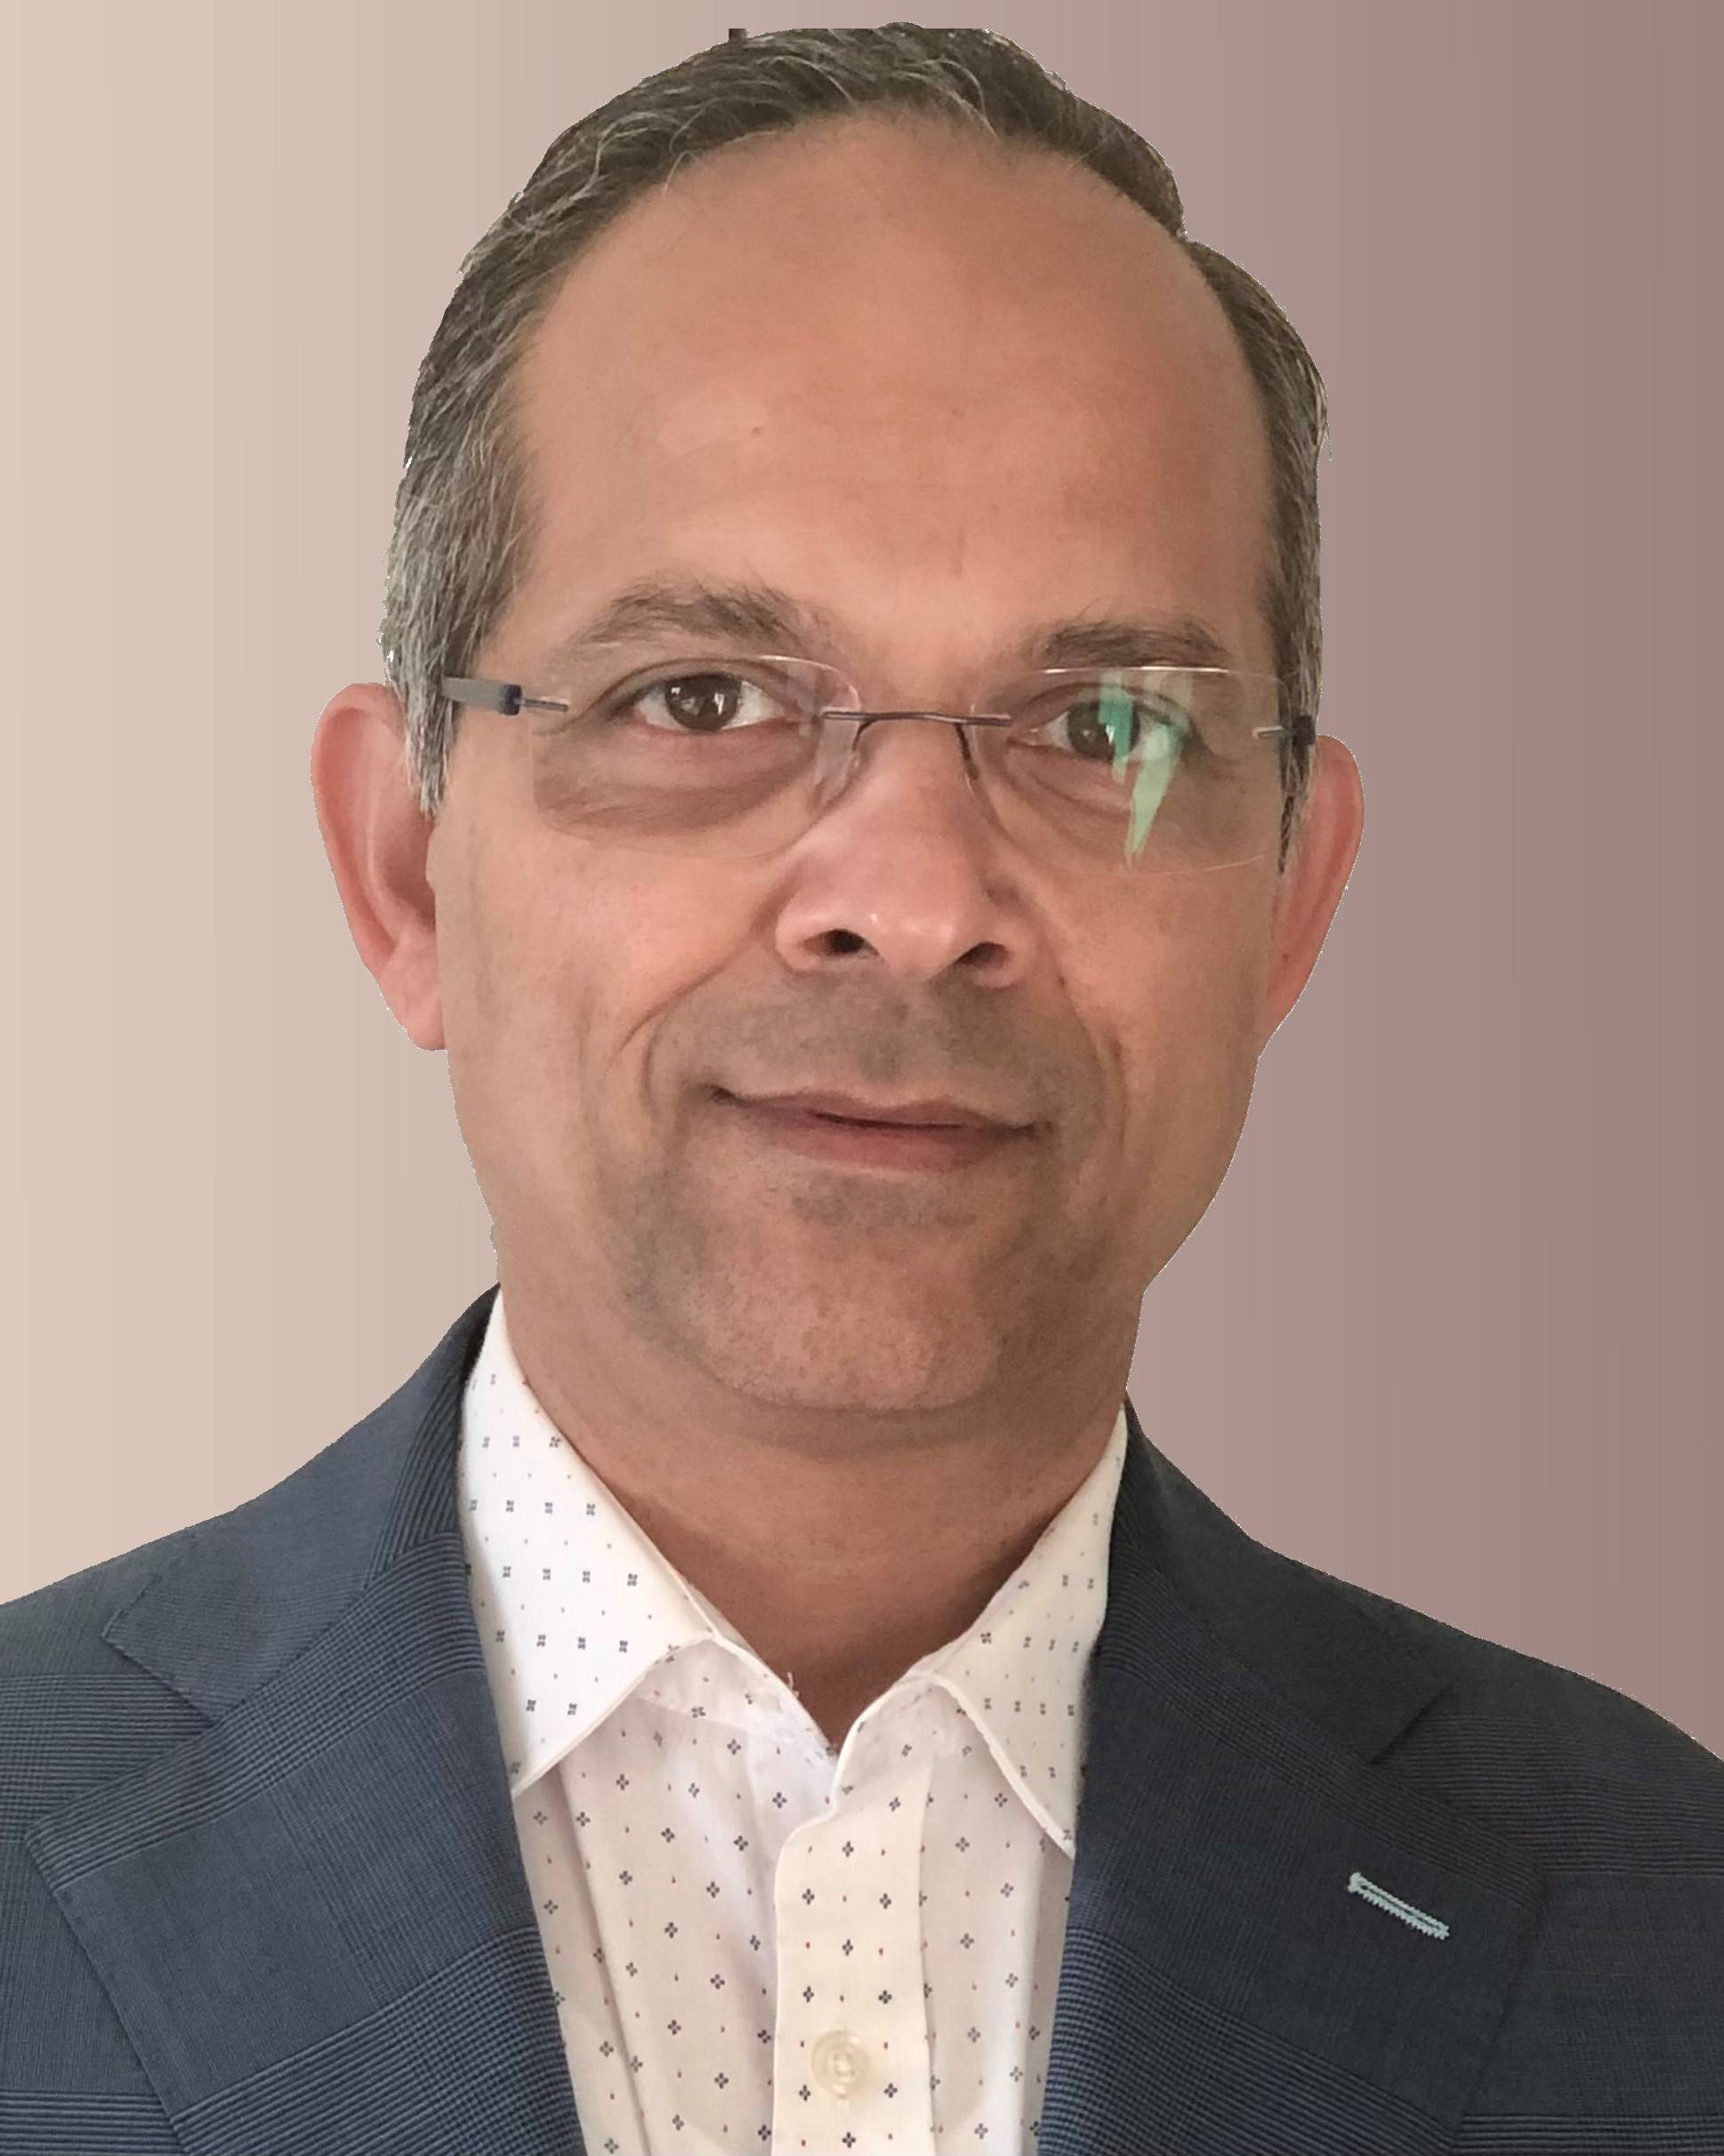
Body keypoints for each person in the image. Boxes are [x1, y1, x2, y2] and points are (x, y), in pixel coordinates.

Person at [4, 24, 1720, 2156]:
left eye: (1105, 726)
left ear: (1289, 900)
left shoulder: (1668, 1939)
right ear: (405, 869)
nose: (912, 904)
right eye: (701, 698)